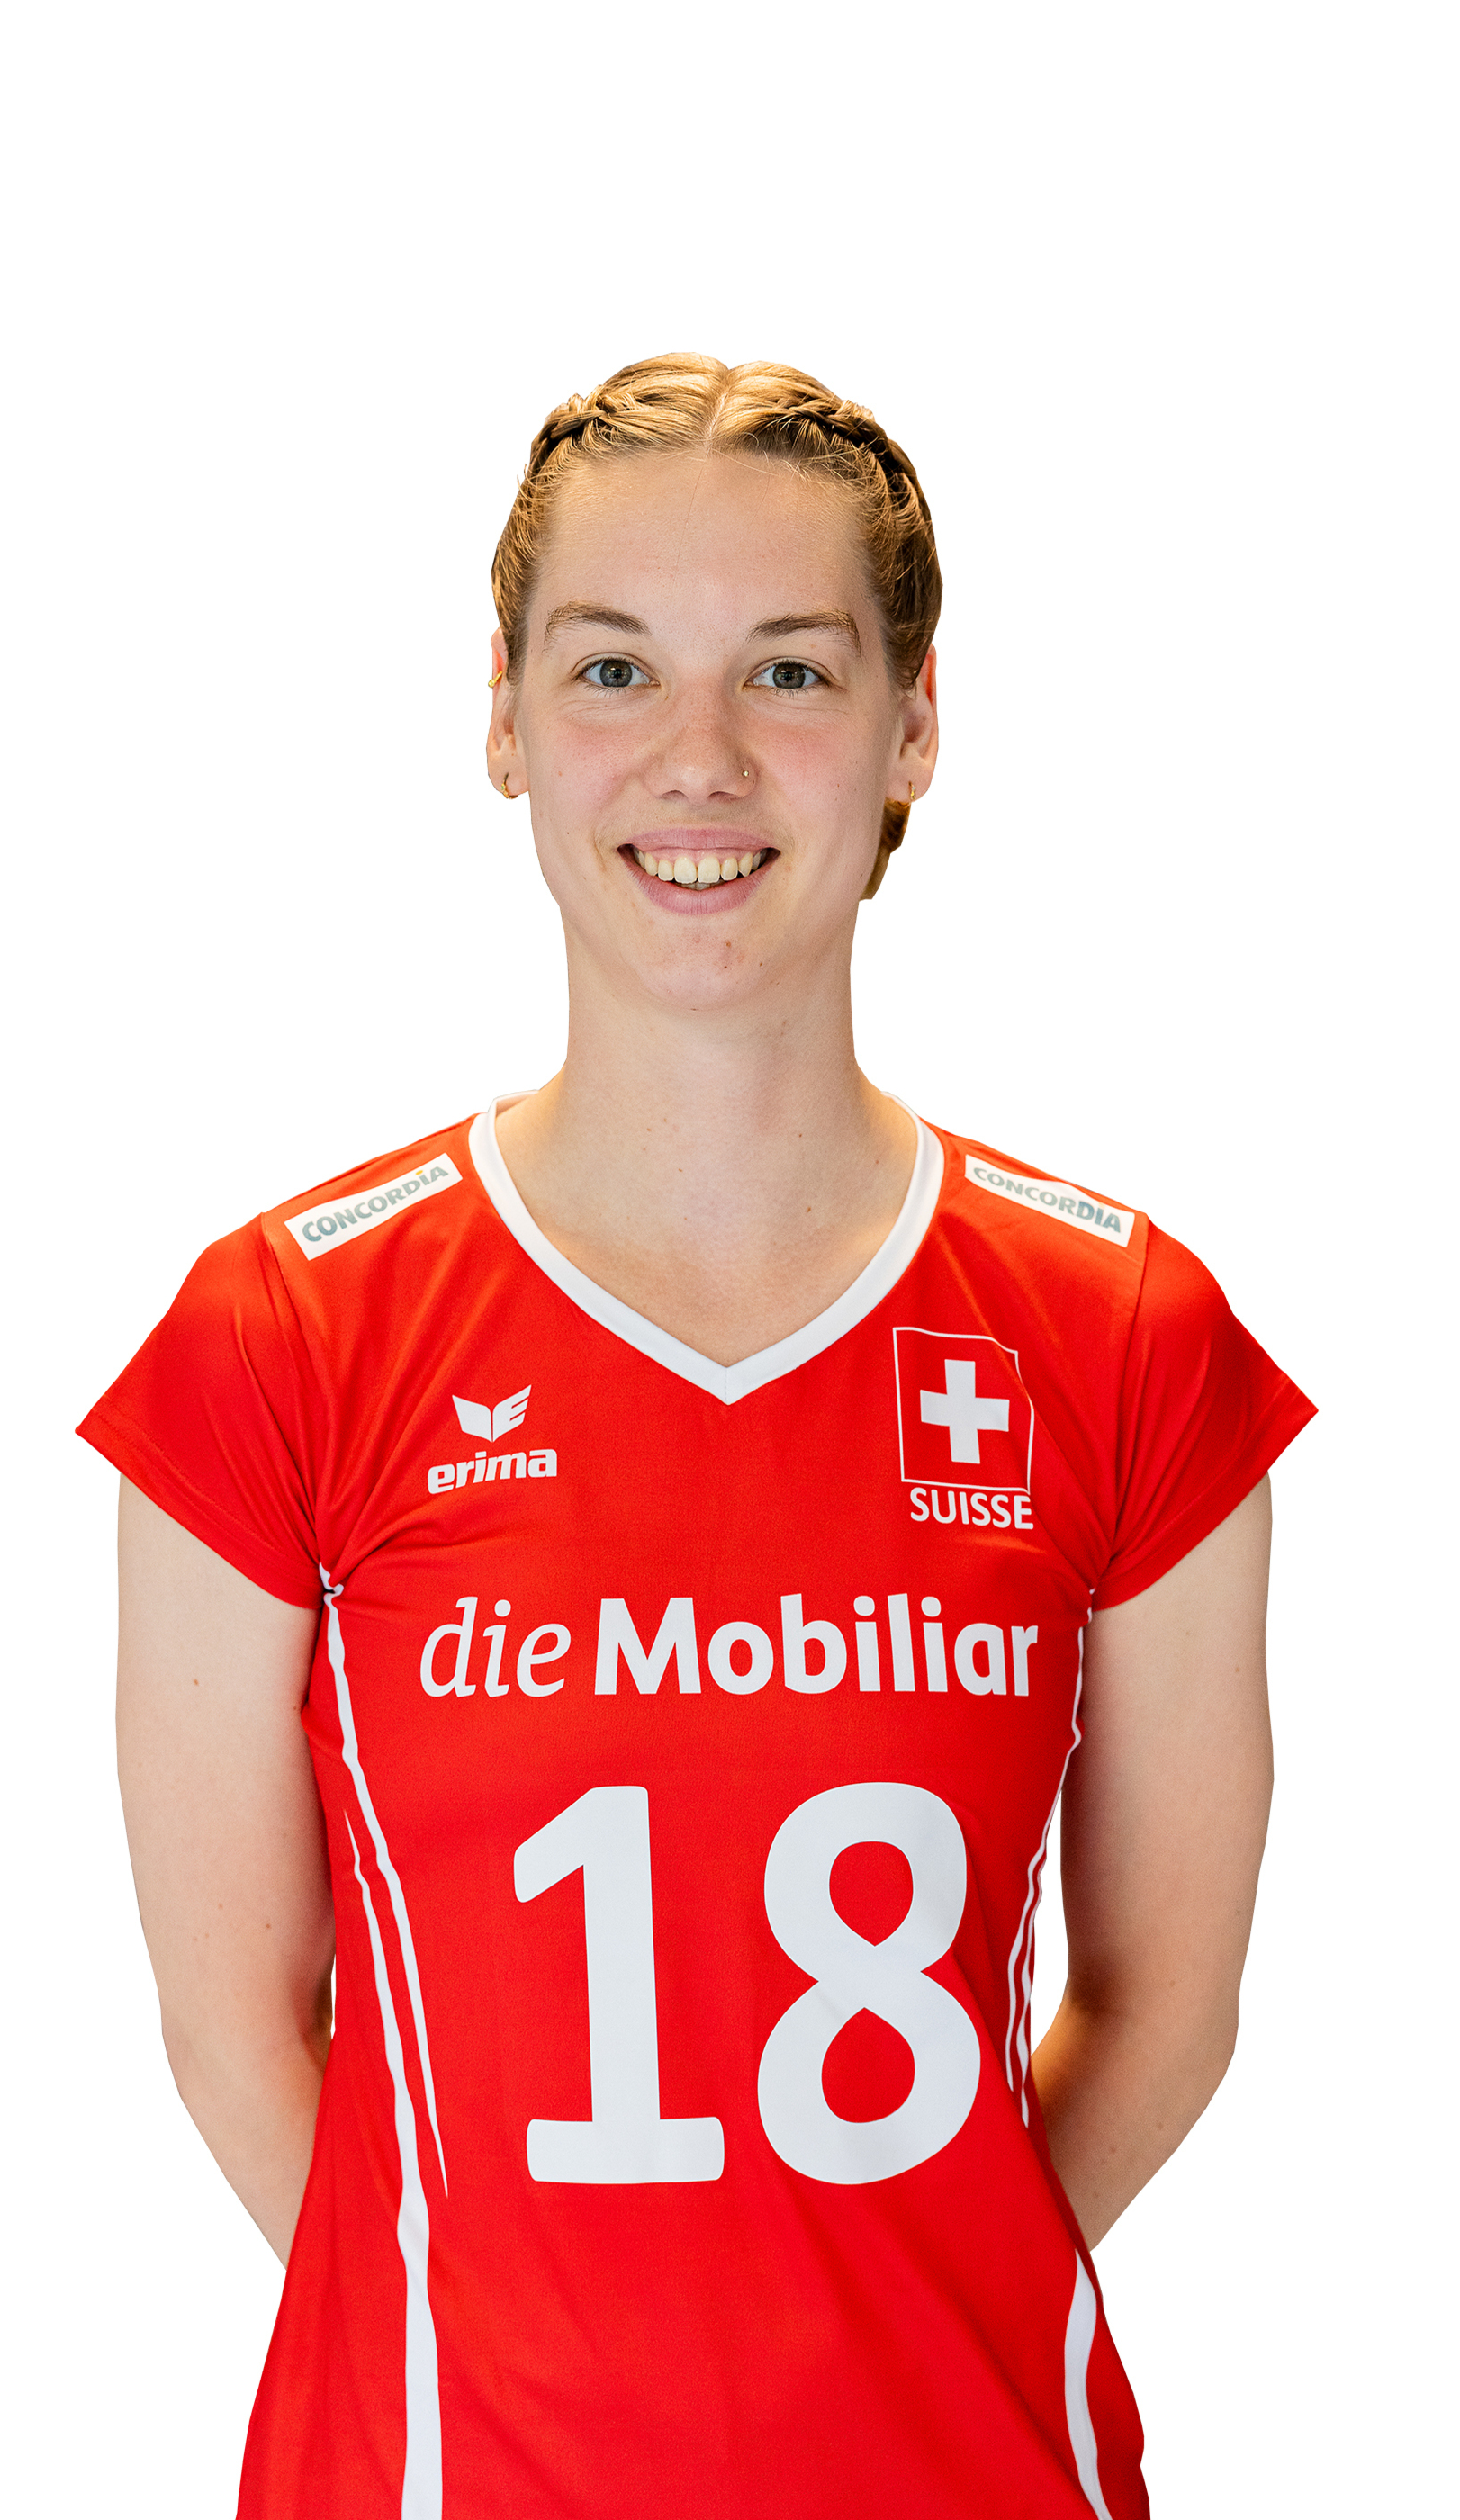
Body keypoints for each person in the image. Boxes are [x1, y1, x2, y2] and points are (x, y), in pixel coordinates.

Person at [81, 355, 1315, 2519]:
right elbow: (235, 2029)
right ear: (503, 716)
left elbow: (1165, 2007)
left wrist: (877, 2297)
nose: (701, 754)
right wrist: (529, 2339)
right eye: (614, 665)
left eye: (793, 670)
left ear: (914, 726)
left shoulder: (1124, 1332)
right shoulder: (284, 1334)